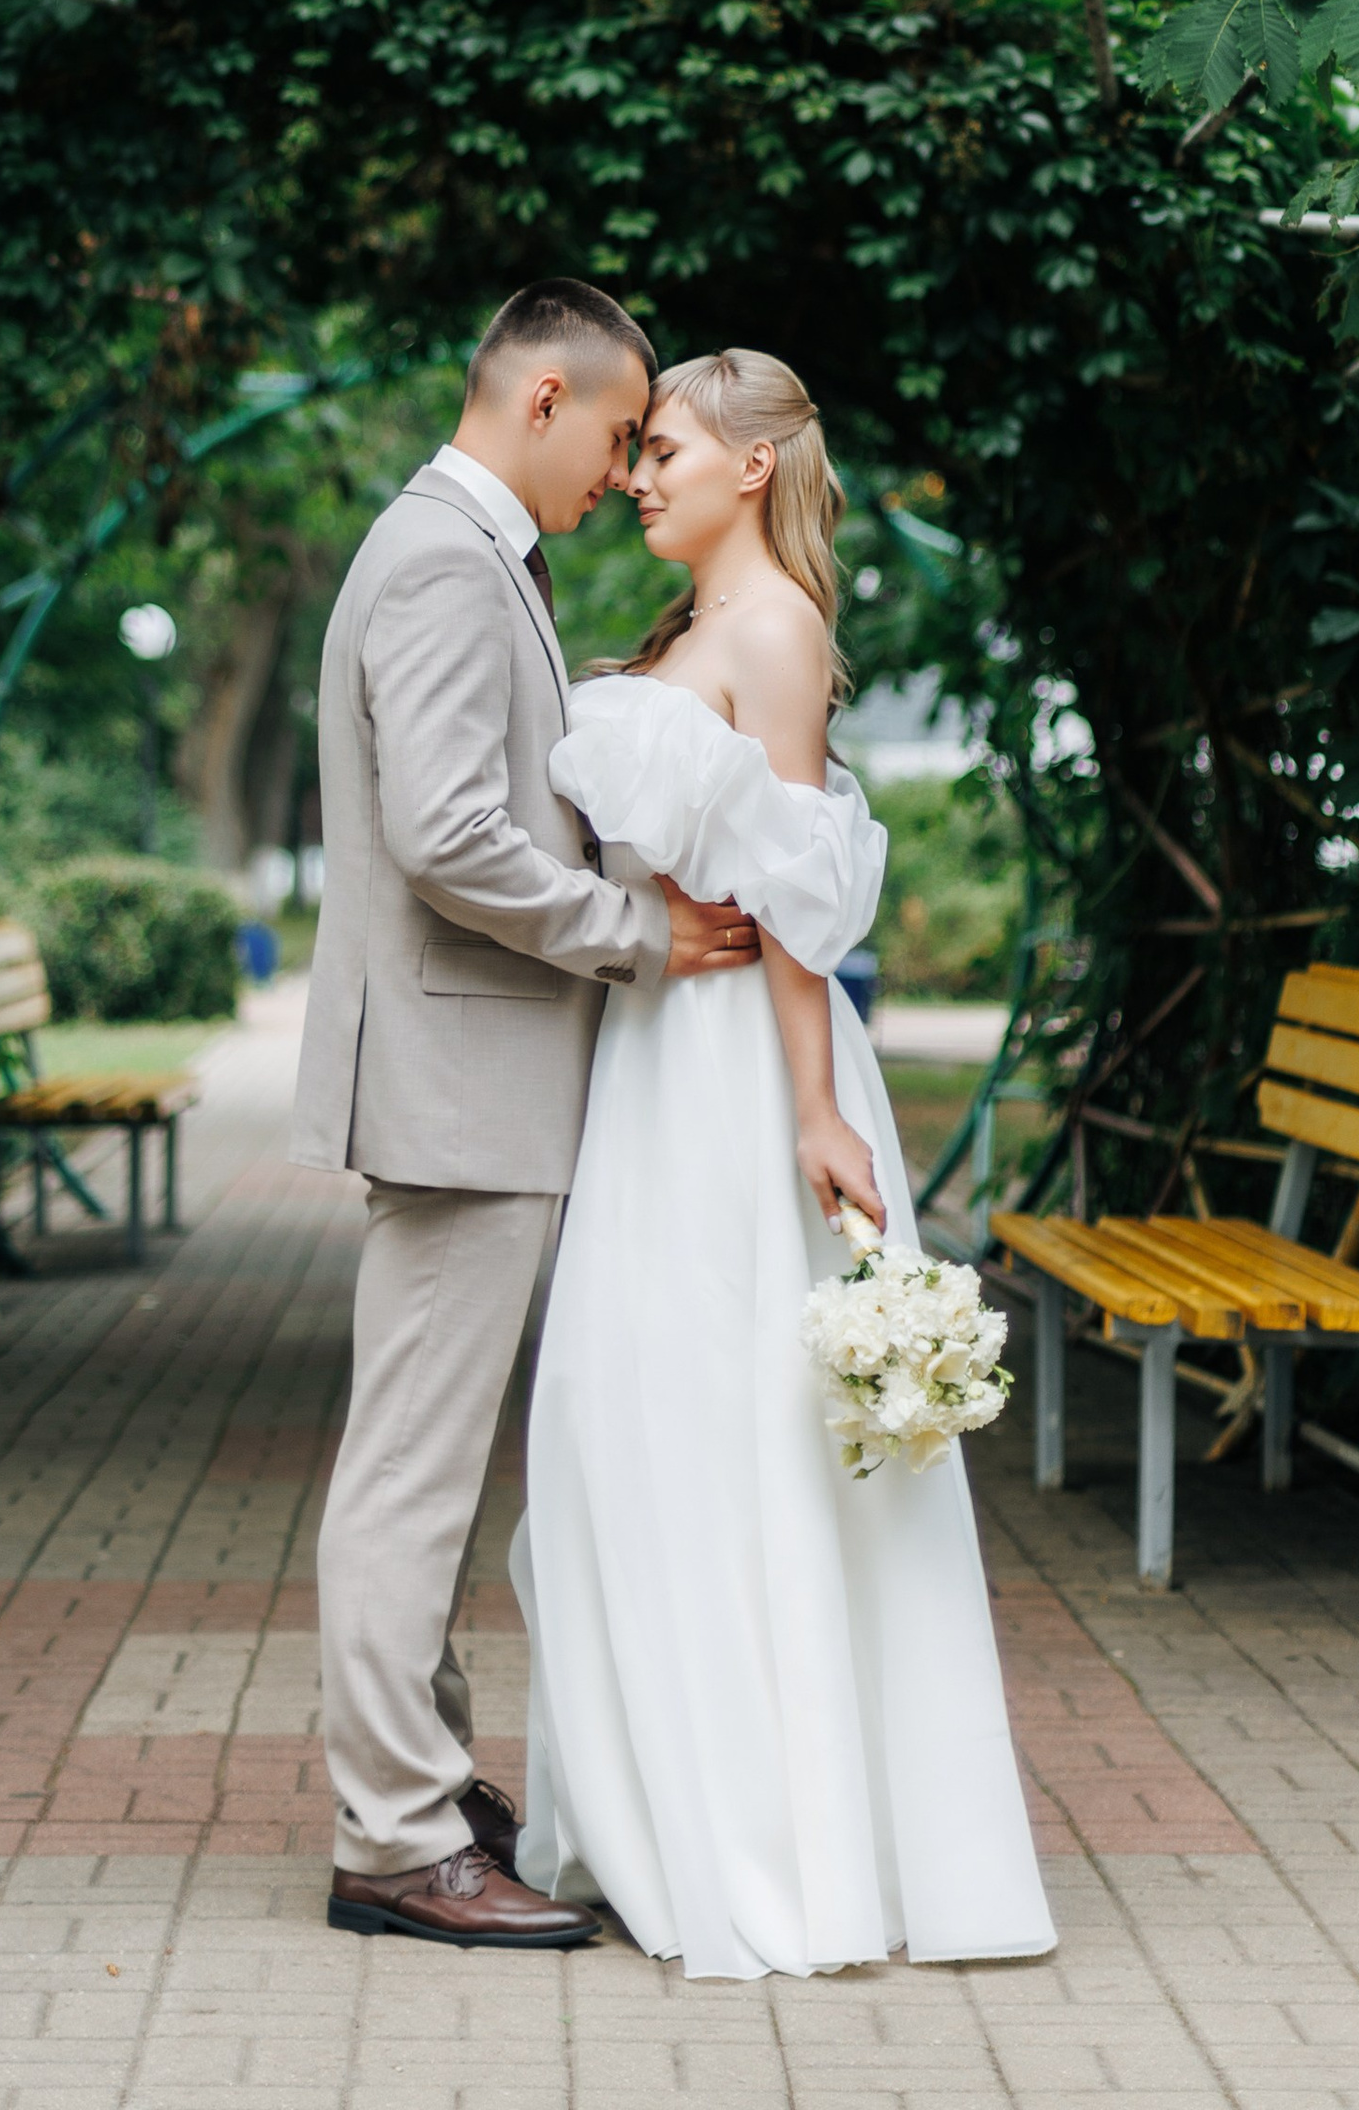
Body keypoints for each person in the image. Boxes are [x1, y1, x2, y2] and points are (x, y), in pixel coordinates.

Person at [512, 348, 1056, 1980]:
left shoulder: (781, 633)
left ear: (753, 466)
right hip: (653, 1062)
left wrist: (820, 1114)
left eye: (664, 448)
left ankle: (767, 1833)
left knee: (741, 1426)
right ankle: (655, 1797)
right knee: (632, 1420)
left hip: (746, 1070)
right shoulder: (685, 631)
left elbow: (800, 903)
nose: (636, 474)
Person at [297, 279, 761, 1951]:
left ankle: (420, 1786)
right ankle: (396, 1839)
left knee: (415, 1465)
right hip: (457, 1081)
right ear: (545, 397)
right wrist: (634, 936)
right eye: (624, 436)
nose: (626, 474)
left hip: (468, 1076)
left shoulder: (471, 551)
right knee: (409, 1479)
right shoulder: (437, 556)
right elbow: (449, 835)